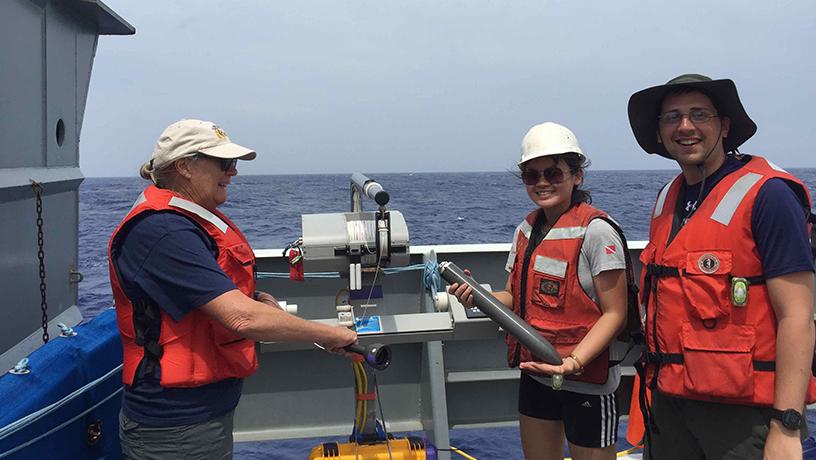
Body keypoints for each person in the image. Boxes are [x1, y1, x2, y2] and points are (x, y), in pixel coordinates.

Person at [108, 119, 357, 459]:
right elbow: (240, 318)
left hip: (202, 419)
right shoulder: (164, 232)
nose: (234, 172)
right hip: (175, 429)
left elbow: (196, 295)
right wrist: (331, 335)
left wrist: (254, 298)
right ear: (184, 166)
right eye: (224, 163)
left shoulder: (184, 222)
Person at [627, 74, 816, 460]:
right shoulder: (667, 198)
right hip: (670, 408)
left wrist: (786, 425)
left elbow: (797, 316)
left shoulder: (770, 195)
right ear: (660, 133)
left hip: (745, 418)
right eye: (672, 117)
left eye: (700, 114)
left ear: (725, 126)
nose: (685, 126)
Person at [449, 122, 631, 460]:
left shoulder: (597, 232)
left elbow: (615, 313)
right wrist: (476, 295)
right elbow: (513, 299)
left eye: (553, 173)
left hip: (586, 379)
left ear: (577, 176)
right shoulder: (526, 230)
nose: (542, 182)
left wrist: (574, 361)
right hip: (537, 376)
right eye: (532, 176)